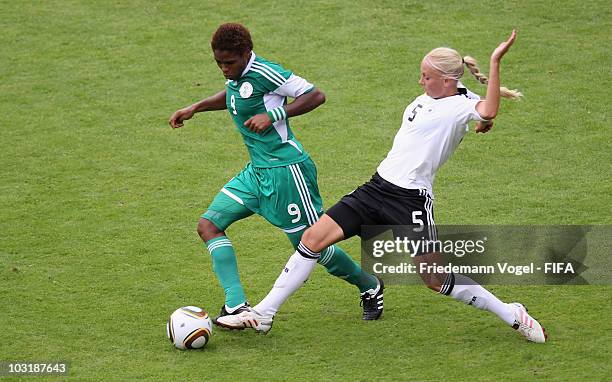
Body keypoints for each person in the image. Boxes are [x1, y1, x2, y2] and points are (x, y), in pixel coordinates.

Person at [218, 30, 547, 343]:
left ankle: (511, 313)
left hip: (410, 202)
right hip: (376, 188)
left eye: (426, 77)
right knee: (312, 239)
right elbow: (481, 114)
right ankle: (264, 312)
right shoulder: (437, 97)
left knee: (435, 280)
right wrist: (484, 123)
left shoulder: (462, 105)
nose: (420, 81)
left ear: (448, 80)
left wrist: (494, 64)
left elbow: (486, 109)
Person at [168, 23, 383, 325]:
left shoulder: (266, 72)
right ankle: (236, 306)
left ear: (246, 53)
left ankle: (370, 286)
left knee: (311, 245)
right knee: (209, 225)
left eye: (228, 62)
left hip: (287, 172)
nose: (223, 69)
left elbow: (315, 95)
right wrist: (196, 106)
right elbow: (235, 96)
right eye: (218, 62)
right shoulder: (239, 76)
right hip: (256, 172)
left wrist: (274, 114)